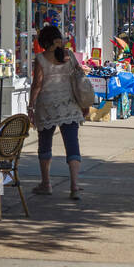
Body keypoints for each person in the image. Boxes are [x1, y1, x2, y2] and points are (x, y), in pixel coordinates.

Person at [29, 25, 89, 200]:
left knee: (45, 144)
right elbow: (80, 79)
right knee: (72, 144)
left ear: (43, 42)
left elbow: (37, 85)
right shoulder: (69, 56)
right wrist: (83, 102)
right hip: (69, 105)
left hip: (46, 106)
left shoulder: (40, 58)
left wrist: (31, 107)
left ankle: (46, 184)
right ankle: (75, 186)